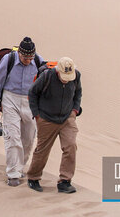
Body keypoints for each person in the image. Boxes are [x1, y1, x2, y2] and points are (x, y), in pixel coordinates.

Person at [0, 38, 43, 187]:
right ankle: (13, 173)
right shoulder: (9, 60)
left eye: (30, 58)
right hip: (10, 99)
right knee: (12, 137)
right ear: (19, 53)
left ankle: (20, 168)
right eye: (25, 57)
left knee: (28, 139)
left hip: (30, 102)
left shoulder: (39, 61)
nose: (28, 60)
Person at [26, 57, 82, 194]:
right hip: (46, 118)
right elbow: (32, 93)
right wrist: (37, 115)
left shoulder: (76, 76)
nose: (66, 79)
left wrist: (74, 110)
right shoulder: (47, 76)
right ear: (58, 71)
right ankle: (33, 177)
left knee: (70, 146)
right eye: (64, 76)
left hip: (67, 117)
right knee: (42, 150)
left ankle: (65, 181)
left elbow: (78, 93)